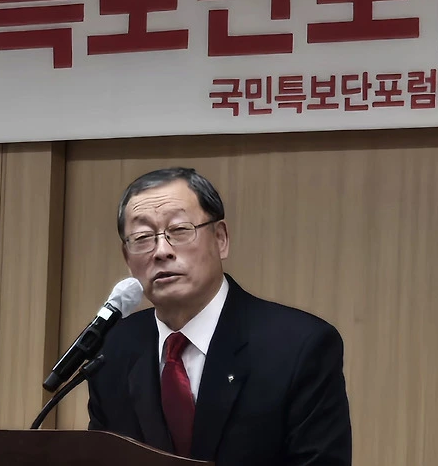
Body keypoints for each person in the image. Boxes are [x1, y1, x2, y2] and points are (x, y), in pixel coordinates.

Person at [87, 167, 352, 466]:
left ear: (221, 238)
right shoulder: (113, 351)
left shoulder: (299, 346)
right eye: (142, 237)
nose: (161, 251)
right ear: (127, 258)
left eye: (179, 230)